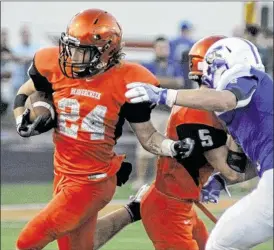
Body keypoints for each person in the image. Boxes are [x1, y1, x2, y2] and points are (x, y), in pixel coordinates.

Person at [13, 9, 191, 250]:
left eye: (81, 50)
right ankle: (133, 210)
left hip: (92, 182)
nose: (71, 55)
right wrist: (20, 118)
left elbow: (148, 137)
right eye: (70, 47)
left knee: (27, 242)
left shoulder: (127, 79)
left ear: (105, 52)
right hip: (63, 173)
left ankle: (133, 209)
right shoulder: (55, 64)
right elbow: (25, 92)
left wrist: (173, 147)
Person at [125, 37, 273, 249]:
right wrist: (223, 179)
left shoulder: (244, 78)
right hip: (173, 205)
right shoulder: (214, 109)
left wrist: (165, 95)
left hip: (179, 204)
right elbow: (241, 168)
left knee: (220, 243)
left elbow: (226, 100)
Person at [133, 36, 184, 190]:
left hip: (169, 112)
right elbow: (148, 81)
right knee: (144, 148)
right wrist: (166, 82)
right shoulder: (148, 64)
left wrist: (158, 81)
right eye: (160, 47)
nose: (163, 50)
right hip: (152, 111)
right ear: (155, 48)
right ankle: (140, 180)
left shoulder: (174, 65)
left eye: (166, 47)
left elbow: (179, 82)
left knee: (164, 147)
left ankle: (157, 180)